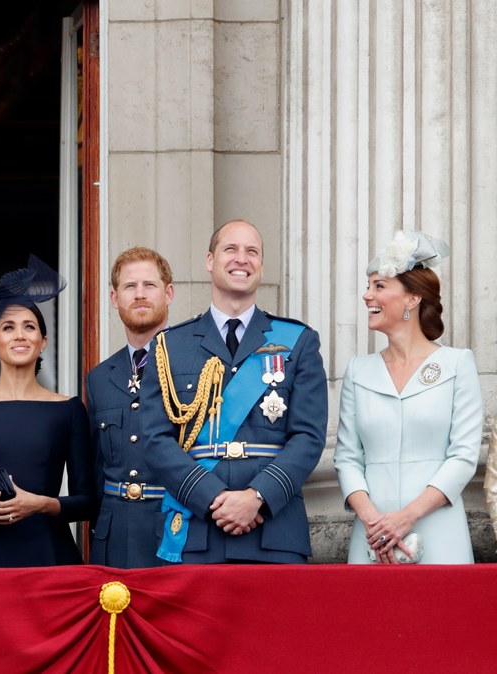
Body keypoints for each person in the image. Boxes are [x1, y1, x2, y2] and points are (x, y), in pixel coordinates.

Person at [140, 219, 327, 564]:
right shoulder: (169, 346)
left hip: (273, 529)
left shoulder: (297, 341)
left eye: (251, 252)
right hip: (198, 529)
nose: (242, 259)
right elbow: (155, 439)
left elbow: (309, 437)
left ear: (261, 266)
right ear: (210, 261)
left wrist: (257, 496)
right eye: (231, 249)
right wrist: (213, 498)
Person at [0, 254, 96, 567]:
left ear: (43, 341)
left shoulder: (68, 409)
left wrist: (42, 504)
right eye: (8, 327)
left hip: (48, 555)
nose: (20, 335)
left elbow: (87, 502)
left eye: (29, 327)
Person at [334, 230, 481, 564]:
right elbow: (347, 458)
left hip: (439, 530)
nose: (366, 295)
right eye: (368, 286)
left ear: (412, 298)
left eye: (379, 286)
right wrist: (374, 520)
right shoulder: (358, 371)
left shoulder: (457, 364)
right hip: (372, 537)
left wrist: (406, 517)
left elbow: (463, 456)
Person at [85, 247, 175, 568]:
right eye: (129, 287)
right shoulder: (98, 378)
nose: (139, 295)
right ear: (114, 298)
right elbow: (97, 470)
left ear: (168, 293)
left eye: (149, 285)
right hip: (114, 539)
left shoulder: (193, 365)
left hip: (173, 533)